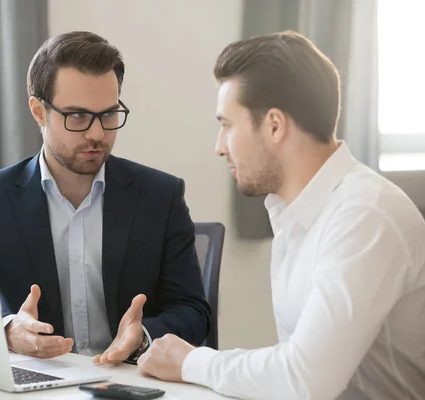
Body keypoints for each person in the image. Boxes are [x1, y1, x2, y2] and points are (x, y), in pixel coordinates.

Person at [138, 30, 425, 399]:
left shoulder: (365, 214)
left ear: (274, 125)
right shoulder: (294, 212)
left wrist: (190, 362)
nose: (219, 147)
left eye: (226, 125)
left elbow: (304, 380)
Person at [0, 31, 211, 364]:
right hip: (43, 379)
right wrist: (7, 329)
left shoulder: (160, 196)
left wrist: (142, 336)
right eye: (78, 116)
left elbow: (193, 310)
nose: (97, 134)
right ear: (39, 112)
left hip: (128, 382)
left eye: (109, 115)